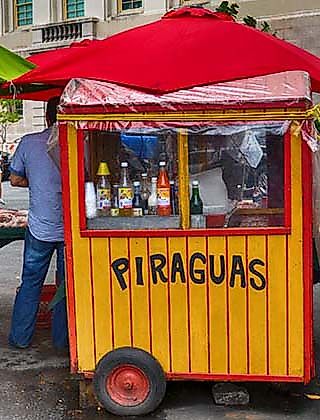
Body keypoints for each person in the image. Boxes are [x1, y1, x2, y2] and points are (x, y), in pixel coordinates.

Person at [8, 96, 68, 350]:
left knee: (31, 283)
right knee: (67, 288)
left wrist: (38, 182)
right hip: (70, 229)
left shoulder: (29, 142)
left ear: (46, 116)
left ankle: (20, 339)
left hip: (39, 228)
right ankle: (63, 342)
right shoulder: (78, 142)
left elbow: (14, 179)